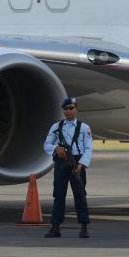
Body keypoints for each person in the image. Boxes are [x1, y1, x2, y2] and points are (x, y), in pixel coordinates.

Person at [42, 96, 93, 238]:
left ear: (76, 109)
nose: (68, 111)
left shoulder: (84, 128)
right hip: (61, 161)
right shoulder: (56, 127)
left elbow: (88, 148)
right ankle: (55, 227)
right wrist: (56, 148)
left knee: (80, 195)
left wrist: (82, 164)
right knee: (58, 194)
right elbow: (46, 144)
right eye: (66, 109)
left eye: (71, 108)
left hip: (77, 162)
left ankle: (84, 227)